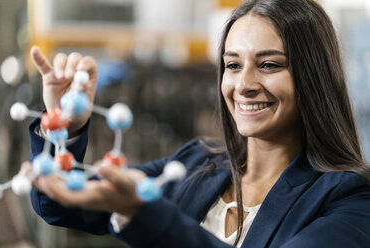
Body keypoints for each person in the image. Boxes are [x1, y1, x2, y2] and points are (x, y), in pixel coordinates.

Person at [25, 0, 370, 247]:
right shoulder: (196, 163)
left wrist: (144, 213)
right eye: (233, 66)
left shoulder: (351, 201)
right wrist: (64, 128)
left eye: (268, 65)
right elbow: (59, 205)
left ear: (314, 77)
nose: (243, 84)